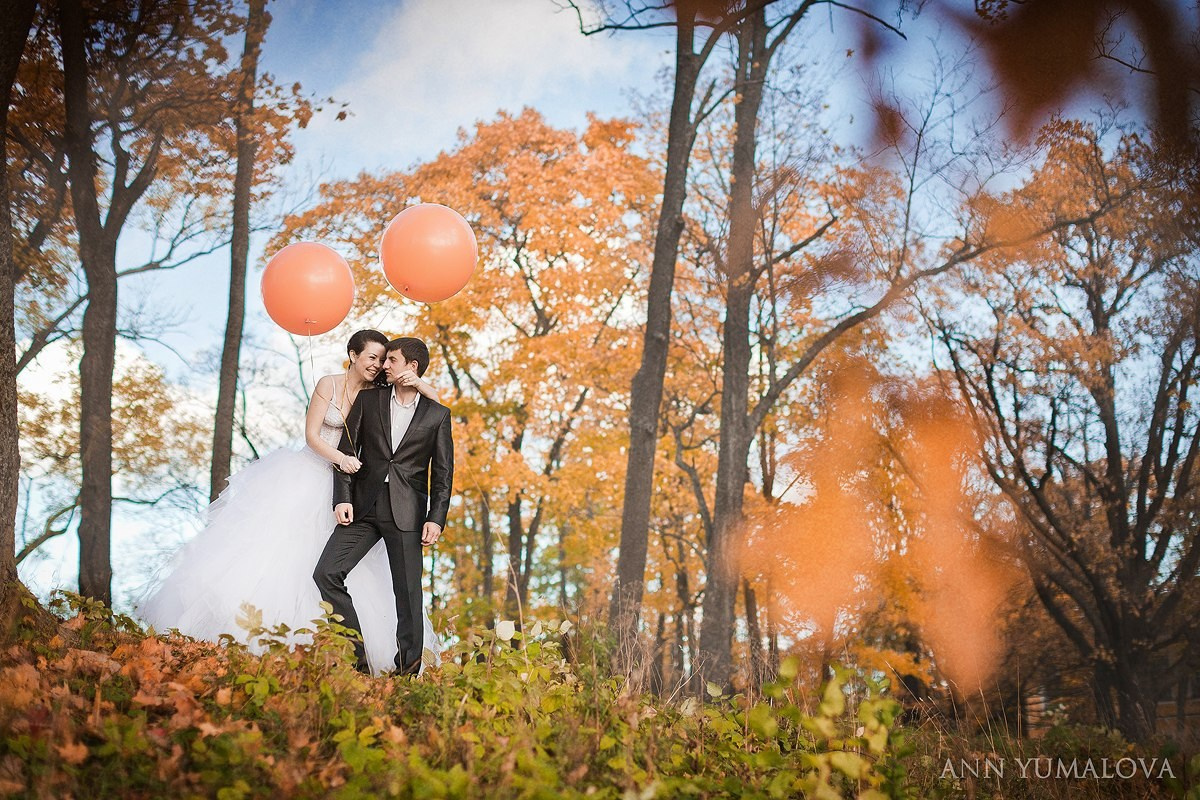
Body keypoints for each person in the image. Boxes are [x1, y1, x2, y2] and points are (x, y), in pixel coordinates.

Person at [139, 330, 441, 674]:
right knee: (288, 559)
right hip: (313, 473)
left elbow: (425, 411)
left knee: (353, 573)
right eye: (372, 357)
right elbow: (313, 436)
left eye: (384, 359)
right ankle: (277, 643)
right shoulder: (329, 384)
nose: (378, 365)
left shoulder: (380, 393)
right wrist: (340, 460)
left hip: (355, 487)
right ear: (353, 355)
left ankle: (361, 658)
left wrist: (420, 383)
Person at [314, 336, 453, 676]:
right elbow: (347, 449)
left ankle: (406, 676)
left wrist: (436, 518)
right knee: (327, 573)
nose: (383, 366)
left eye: (392, 360)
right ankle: (357, 665)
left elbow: (444, 471)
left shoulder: (437, 415)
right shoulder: (368, 400)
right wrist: (342, 498)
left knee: (407, 597)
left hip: (407, 514)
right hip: (362, 507)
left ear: (412, 367)